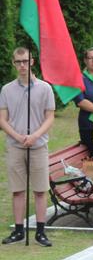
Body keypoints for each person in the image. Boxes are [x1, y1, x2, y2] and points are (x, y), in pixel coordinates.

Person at [0, 47, 56, 247]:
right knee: (18, 189)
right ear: (14, 63)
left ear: (32, 62)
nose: (22, 65)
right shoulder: (7, 89)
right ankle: (18, 230)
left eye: (25, 61)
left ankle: (41, 232)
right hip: (16, 145)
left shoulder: (44, 88)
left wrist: (35, 136)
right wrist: (17, 136)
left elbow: (49, 116)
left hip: (38, 145)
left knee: (40, 190)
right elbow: (3, 119)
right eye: (18, 62)